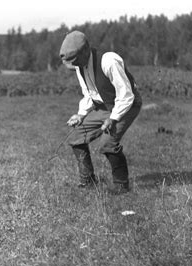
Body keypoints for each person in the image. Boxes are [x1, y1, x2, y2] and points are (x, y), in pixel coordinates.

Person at [59, 30, 142, 195]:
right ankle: (88, 181)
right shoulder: (79, 67)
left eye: (76, 61)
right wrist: (81, 115)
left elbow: (126, 95)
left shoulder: (109, 61)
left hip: (126, 105)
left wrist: (113, 118)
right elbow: (89, 94)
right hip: (103, 106)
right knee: (76, 137)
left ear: (86, 51)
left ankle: (121, 186)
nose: (75, 66)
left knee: (107, 143)